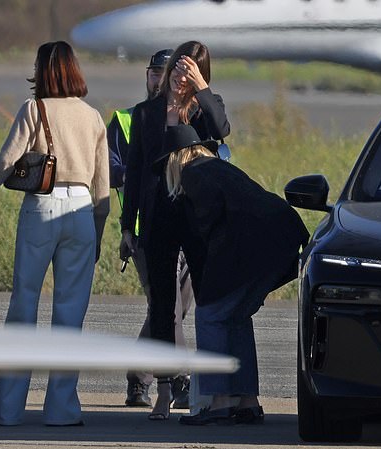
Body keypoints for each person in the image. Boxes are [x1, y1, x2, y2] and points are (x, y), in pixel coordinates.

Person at [0, 41, 109, 426]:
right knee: (69, 314)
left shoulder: (35, 109)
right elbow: (104, 191)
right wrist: (96, 233)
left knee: (24, 305)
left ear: (44, 70)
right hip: (82, 211)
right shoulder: (93, 117)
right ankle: (61, 410)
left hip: (41, 207)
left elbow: (4, 162)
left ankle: (9, 410)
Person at [152, 124, 309, 425]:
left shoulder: (192, 174)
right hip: (284, 237)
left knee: (210, 315)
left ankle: (221, 402)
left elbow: (212, 227)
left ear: (175, 159)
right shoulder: (216, 168)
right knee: (234, 317)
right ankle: (248, 402)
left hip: (253, 245)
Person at [120, 41, 230, 420]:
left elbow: (222, 131)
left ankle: (209, 392)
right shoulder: (147, 112)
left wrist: (201, 88)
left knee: (207, 303)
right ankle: (164, 392)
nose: (183, 77)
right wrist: (126, 226)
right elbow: (134, 172)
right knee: (163, 307)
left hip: (197, 216)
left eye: (193, 70)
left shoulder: (203, 109)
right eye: (181, 69)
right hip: (157, 218)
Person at [109, 49, 191, 408]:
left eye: (165, 73)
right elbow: (111, 169)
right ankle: (177, 380)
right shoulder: (128, 119)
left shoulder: (191, 114)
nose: (158, 79)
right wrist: (148, 175)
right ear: (147, 76)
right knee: (166, 309)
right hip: (145, 228)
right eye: (153, 73)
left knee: (170, 310)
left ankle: (138, 378)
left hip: (188, 228)